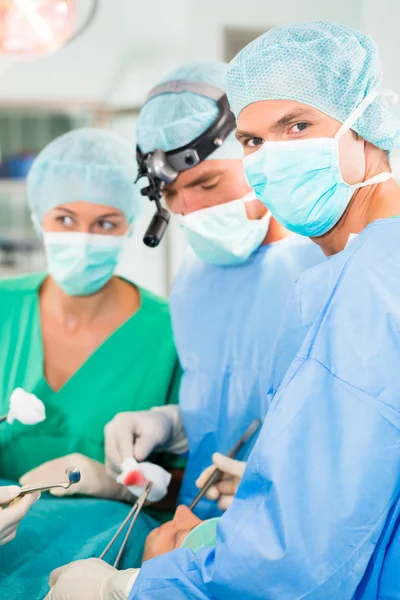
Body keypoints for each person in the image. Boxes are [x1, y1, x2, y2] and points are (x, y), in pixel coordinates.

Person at [46, 22, 400, 599]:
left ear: (370, 123)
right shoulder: (352, 272)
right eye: (256, 140)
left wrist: (126, 590)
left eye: (298, 126)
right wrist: (184, 433)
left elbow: (293, 561)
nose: (272, 157)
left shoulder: (361, 284)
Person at [105, 62, 325, 520]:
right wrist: (172, 425)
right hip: (197, 527)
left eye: (207, 182)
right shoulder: (194, 279)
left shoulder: (331, 268)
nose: (191, 209)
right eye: (171, 195)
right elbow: (232, 400)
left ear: (260, 157)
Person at [0, 127, 181, 490]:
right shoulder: (6, 305)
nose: (83, 237)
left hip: (116, 545)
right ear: (38, 219)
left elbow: (194, 488)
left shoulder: (169, 333)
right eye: (64, 219)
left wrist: (119, 487)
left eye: (105, 223)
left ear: (129, 226)